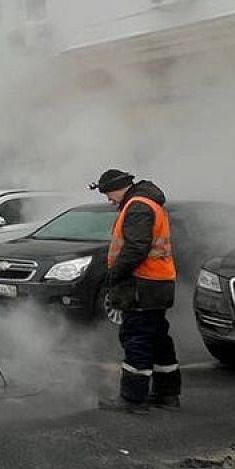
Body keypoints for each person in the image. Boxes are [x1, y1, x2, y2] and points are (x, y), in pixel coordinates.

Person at [90, 169, 179, 414]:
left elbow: (136, 247)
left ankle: (132, 398)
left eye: (108, 193)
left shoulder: (137, 206)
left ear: (119, 187)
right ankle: (167, 394)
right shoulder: (148, 202)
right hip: (157, 282)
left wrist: (114, 274)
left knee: (136, 338)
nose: (109, 199)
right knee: (159, 339)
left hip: (142, 283)